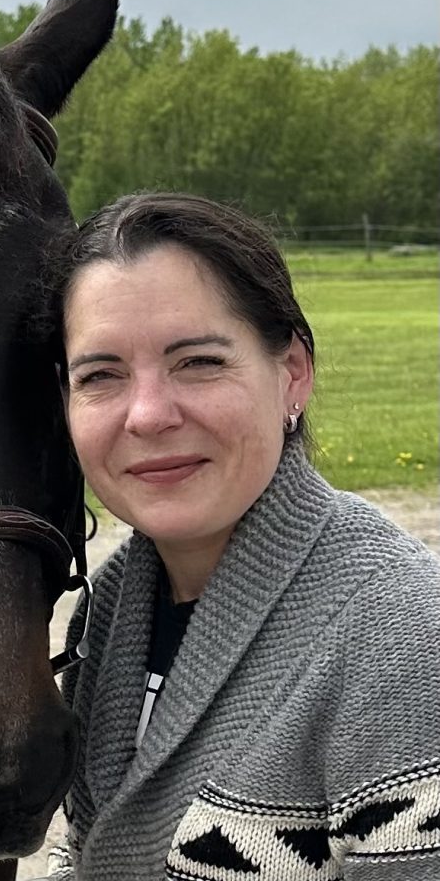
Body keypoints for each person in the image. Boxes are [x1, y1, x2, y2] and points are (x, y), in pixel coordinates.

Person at [47, 193, 440, 881]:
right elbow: (80, 851)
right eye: (101, 375)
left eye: (197, 362)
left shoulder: (401, 633)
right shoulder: (109, 610)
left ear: (292, 373)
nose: (147, 415)